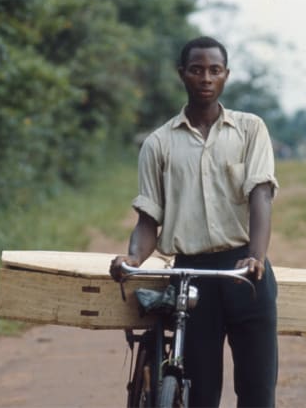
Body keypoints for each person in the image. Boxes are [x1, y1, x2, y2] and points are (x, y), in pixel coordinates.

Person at [109, 36, 278, 408]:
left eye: (214, 70)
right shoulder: (159, 143)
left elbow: (261, 195)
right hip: (192, 276)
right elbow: (148, 218)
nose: (206, 77)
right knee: (201, 392)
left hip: (246, 272)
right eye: (197, 70)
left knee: (258, 391)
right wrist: (133, 259)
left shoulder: (250, 130)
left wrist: (256, 255)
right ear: (182, 74)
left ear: (226, 76)